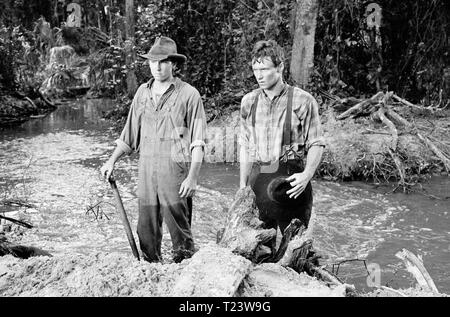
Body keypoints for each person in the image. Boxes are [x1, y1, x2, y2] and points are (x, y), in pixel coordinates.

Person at [100, 36, 207, 263]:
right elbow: (128, 136)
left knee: (180, 228)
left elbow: (198, 142)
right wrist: (111, 161)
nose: (157, 67)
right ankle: (152, 270)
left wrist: (193, 177)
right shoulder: (142, 93)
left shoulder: (189, 94)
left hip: (175, 173)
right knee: (146, 229)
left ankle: (185, 270)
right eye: (153, 62)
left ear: (173, 64)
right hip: (146, 172)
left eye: (163, 62)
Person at [239, 39, 325, 236]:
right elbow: (245, 146)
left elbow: (316, 143)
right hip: (258, 178)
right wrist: (242, 186)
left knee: (295, 246)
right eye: (255, 69)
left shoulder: (303, 100)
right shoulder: (248, 102)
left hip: (291, 181)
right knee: (258, 247)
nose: (259, 76)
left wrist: (306, 175)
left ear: (280, 68)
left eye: (265, 69)